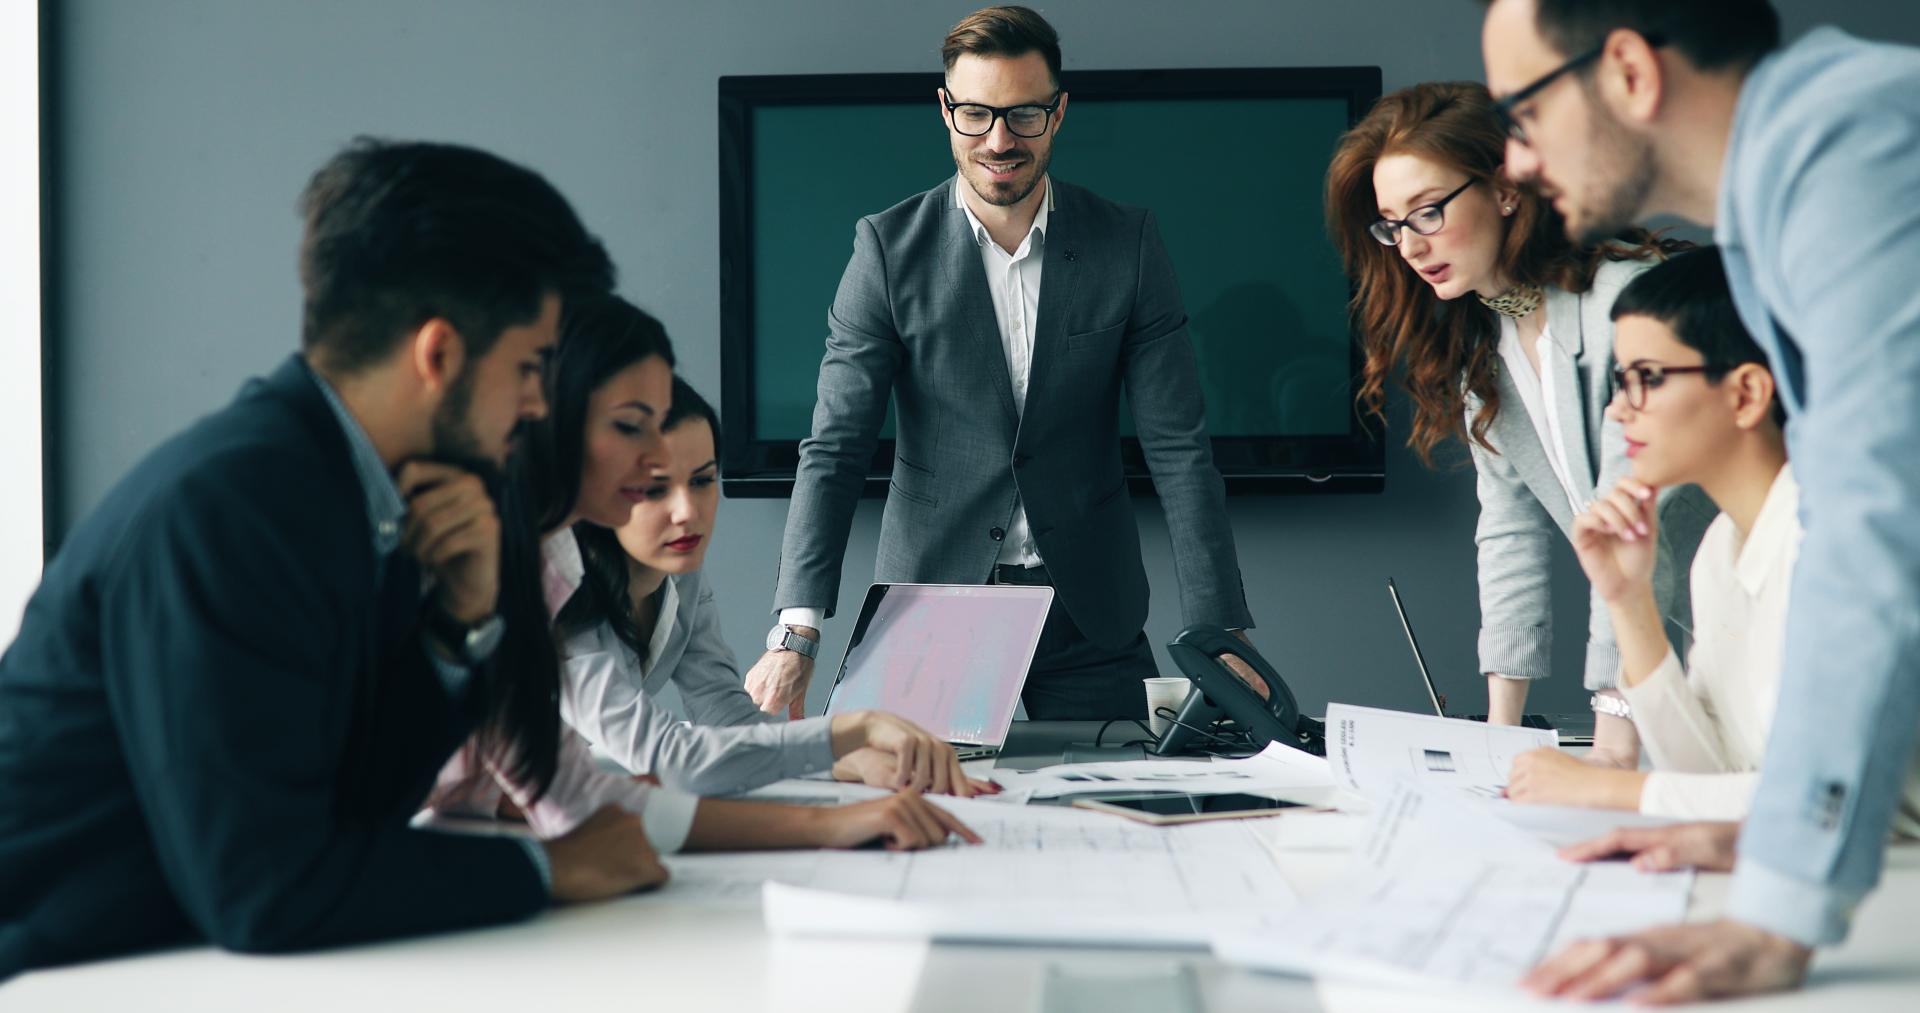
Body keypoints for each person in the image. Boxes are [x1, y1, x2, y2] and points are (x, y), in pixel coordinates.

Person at [0, 139, 659, 976]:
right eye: (530, 366)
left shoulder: (349, 491)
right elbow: (267, 888)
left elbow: (350, 815)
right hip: (51, 977)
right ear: (439, 354)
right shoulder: (233, 509)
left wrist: (457, 627)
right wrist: (549, 866)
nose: (537, 404)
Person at [1479, 0, 1920, 1000]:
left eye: (1523, 112)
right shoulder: (1773, 228)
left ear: (1630, 70)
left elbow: (1876, 526)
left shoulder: (1850, 153)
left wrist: (1778, 910)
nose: (1512, 161)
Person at [748, 5, 1262, 723]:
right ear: (945, 111)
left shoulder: (1128, 244)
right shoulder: (888, 251)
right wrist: (796, 631)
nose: (999, 139)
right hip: (931, 604)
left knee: (1122, 810)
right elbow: (834, 449)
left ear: (1058, 113)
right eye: (976, 114)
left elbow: (1179, 448)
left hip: (1089, 611)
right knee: (904, 816)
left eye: (1023, 114)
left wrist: (1222, 631)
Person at [1324, 81, 1711, 759]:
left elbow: (1633, 516)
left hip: (1779, 609)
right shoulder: (1487, 344)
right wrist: (1497, 741)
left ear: (1505, 189)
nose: (1410, 247)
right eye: (1393, 224)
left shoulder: (1627, 301)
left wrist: (1614, 734)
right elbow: (1509, 533)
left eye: (1429, 212)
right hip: (1689, 630)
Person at [1505, 251, 1920, 831]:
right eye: (1620, 380)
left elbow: (1825, 803)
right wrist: (1630, 603)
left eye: (1646, 378)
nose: (1619, 409)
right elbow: (1710, 778)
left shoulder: (1845, 545)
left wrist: (1608, 788)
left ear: (1747, 393)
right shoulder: (1720, 552)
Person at [534, 301, 994, 797]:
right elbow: (673, 760)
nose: (687, 511)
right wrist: (849, 732)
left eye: (703, 480)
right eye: (654, 488)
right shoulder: (556, 594)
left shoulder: (678, 575)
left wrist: (848, 764)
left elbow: (728, 721)